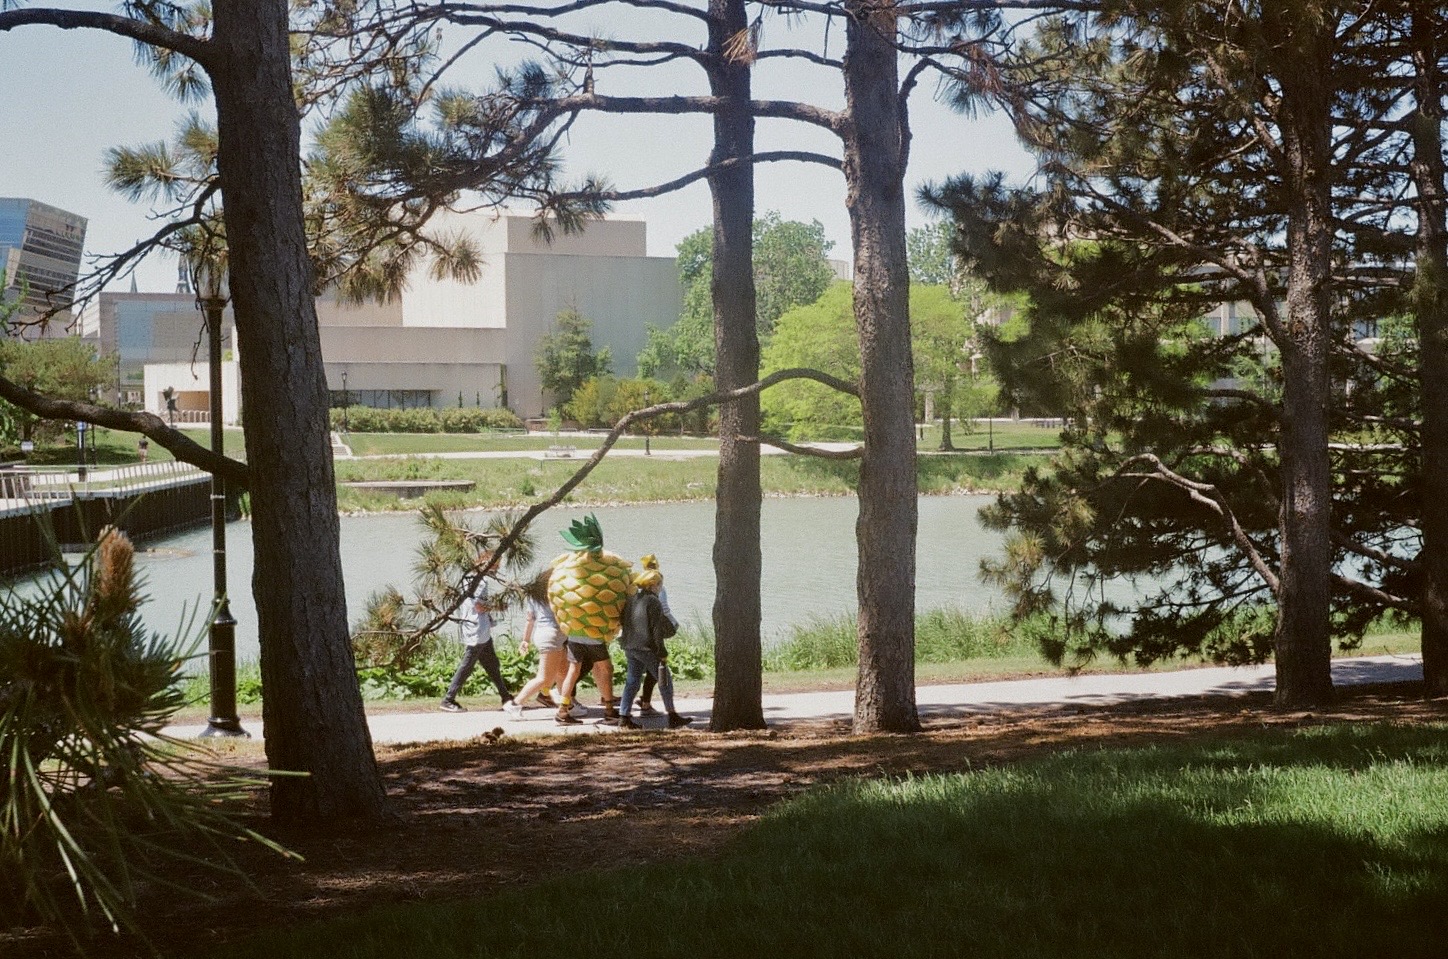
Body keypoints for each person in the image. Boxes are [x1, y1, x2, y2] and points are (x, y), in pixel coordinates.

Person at [617, 565, 692, 730]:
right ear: (652, 585)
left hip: (630, 646)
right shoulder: (654, 602)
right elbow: (656, 630)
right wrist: (662, 652)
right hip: (647, 648)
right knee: (665, 680)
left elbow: (623, 621)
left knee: (632, 682)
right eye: (659, 584)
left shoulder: (631, 599)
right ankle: (672, 716)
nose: (660, 588)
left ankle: (623, 717)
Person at [439, 558, 514, 713]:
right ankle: (448, 699)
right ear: (486, 564)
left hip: (480, 630)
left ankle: (506, 697)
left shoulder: (469, 579)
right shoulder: (479, 582)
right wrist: (498, 607)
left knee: (492, 665)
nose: (496, 570)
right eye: (495, 566)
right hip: (477, 630)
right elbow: (479, 606)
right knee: (467, 665)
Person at [505, 569, 578, 718]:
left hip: (545, 635)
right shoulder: (556, 595)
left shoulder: (534, 596)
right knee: (544, 678)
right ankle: (515, 704)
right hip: (551, 637)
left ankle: (568, 705)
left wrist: (525, 640)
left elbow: (530, 619)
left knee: (563, 671)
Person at [634, 553, 678, 716]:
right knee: (658, 669)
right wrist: (673, 622)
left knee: (641, 672)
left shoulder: (639, 586)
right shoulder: (658, 586)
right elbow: (663, 608)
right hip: (652, 633)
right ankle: (656, 707)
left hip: (638, 634)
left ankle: (643, 701)